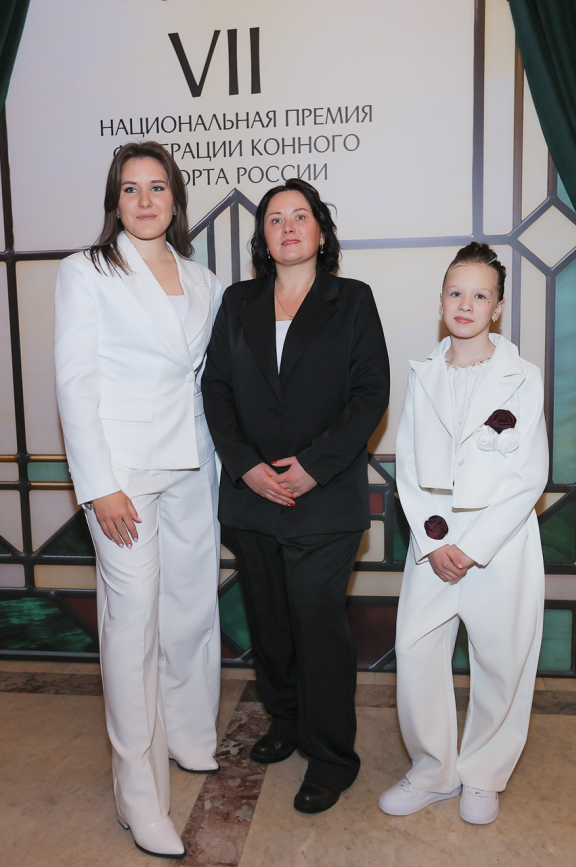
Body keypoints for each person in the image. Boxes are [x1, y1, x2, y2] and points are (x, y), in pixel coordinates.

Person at [54, 141, 224, 859]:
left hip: (194, 460)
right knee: (132, 625)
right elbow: (74, 384)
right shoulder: (86, 271)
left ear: (176, 198)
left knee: (191, 604)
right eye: (131, 188)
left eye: (158, 187)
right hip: (123, 472)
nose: (146, 200)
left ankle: (188, 732)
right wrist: (98, 486)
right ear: (114, 201)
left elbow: (206, 377)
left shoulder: (204, 278)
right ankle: (139, 795)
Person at [202, 179, 390, 815]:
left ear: (320, 230)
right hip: (253, 495)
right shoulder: (238, 301)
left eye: (299, 215)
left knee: (317, 625)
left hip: (324, 496)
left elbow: (370, 393)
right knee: (271, 623)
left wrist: (314, 467)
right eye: (275, 218)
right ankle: (284, 721)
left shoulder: (352, 299)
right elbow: (215, 389)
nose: (287, 227)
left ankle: (332, 757)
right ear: (263, 236)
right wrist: (246, 466)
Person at [378, 242, 547, 826]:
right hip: (434, 541)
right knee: (417, 651)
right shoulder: (422, 373)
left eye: (480, 295)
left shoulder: (523, 377)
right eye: (456, 292)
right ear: (442, 301)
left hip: (500, 542)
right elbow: (407, 465)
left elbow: (529, 475)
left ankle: (482, 773)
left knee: (501, 658)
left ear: (497, 308)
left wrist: (473, 548)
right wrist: (436, 543)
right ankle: (433, 770)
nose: (466, 304)